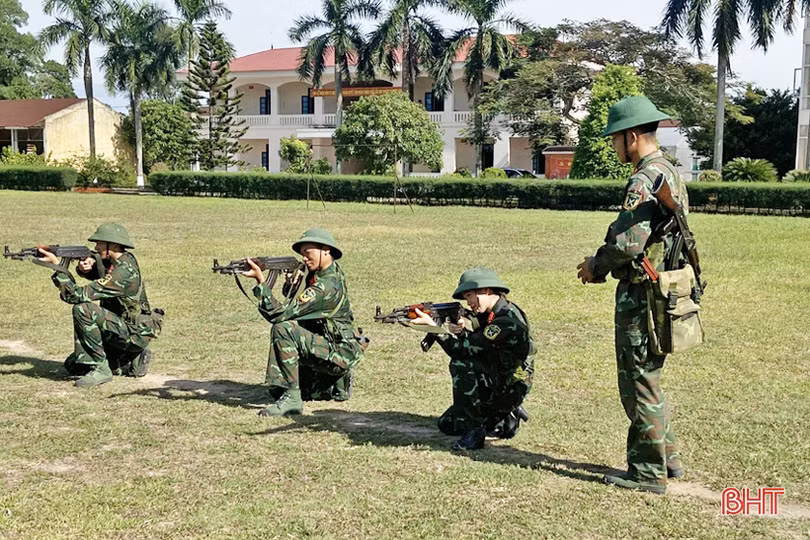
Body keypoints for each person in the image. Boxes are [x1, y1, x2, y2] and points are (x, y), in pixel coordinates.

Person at [576, 95, 687, 495]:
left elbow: (628, 244)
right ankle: (668, 458)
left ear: (632, 136)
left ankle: (647, 473)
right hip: (662, 290)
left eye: (614, 139)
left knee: (638, 381)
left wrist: (595, 264)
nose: (612, 146)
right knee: (648, 378)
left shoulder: (645, 178)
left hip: (642, 295)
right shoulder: (669, 172)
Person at [244, 228, 364, 416]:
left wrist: (261, 283)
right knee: (277, 390)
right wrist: (292, 285)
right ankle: (330, 385)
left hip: (338, 353)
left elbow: (279, 315)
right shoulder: (324, 273)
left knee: (283, 329)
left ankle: (293, 398)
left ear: (326, 250)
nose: (304, 259)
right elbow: (304, 308)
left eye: (308, 253)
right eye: (302, 255)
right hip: (331, 344)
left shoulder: (325, 287)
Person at [411, 268, 534, 451]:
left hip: (508, 386)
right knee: (448, 425)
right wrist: (462, 333)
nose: (468, 303)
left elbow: (462, 352)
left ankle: (475, 432)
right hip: (501, 378)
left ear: (486, 291)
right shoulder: (500, 311)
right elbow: (481, 346)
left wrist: (434, 329)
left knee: (461, 364)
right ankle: (503, 417)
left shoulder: (504, 321)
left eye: (469, 296)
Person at [39, 223, 163, 388]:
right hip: (122, 325)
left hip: (134, 332)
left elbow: (76, 295)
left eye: (99, 243)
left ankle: (101, 369)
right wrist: (86, 266)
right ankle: (129, 361)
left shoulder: (123, 273)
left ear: (113, 245)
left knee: (83, 309)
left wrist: (57, 266)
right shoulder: (121, 259)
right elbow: (99, 270)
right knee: (74, 365)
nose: (96, 247)